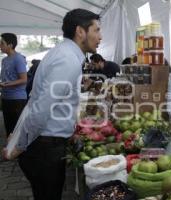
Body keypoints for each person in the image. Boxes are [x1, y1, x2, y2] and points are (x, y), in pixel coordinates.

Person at [3, 8, 102, 200]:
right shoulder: (67, 60)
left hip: (45, 144)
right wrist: (20, 145)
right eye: (96, 30)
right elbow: (41, 109)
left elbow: (51, 101)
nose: (100, 36)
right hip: (44, 148)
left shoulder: (64, 53)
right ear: (80, 31)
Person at [0, 33, 27, 137]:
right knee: (9, 128)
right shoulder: (4, 60)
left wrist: (7, 85)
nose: (0, 46)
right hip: (6, 97)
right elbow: (6, 77)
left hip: (17, 99)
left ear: (10, 45)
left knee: (17, 130)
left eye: (2, 43)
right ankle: (9, 150)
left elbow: (24, 79)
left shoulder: (18, 59)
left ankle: (18, 152)